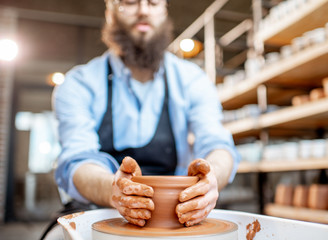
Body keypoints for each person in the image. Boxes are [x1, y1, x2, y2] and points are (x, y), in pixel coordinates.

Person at [53, 0, 240, 228]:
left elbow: (217, 144)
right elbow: (77, 160)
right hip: (98, 213)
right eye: (130, 1)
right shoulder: (79, 84)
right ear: (110, 11)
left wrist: (212, 179)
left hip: (174, 215)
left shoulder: (193, 80)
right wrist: (115, 191)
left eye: (153, 2)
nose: (143, 10)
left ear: (164, 10)